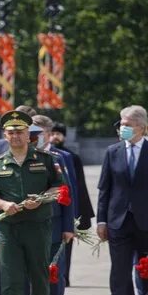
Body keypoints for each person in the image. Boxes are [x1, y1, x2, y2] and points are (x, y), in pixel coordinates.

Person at [0, 110, 62, 295]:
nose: (16, 136)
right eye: (11, 132)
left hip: (37, 226)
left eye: (20, 132)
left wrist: (41, 199)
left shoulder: (45, 160)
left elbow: (58, 188)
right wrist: (4, 205)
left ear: (29, 134)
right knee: (11, 280)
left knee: (39, 278)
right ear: (5, 136)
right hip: (9, 228)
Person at [97, 105, 148, 295]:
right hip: (118, 219)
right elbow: (104, 189)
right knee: (119, 268)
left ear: (142, 127)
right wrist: (101, 221)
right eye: (121, 124)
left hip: (145, 221)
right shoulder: (113, 151)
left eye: (127, 125)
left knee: (146, 267)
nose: (122, 128)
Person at [29, 118, 74, 295]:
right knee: (29, 275)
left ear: (48, 133)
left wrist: (68, 226)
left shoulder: (59, 159)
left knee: (54, 275)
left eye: (39, 132)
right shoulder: (18, 157)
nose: (35, 137)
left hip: (54, 224)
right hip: (27, 224)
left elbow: (67, 193)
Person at [50, 122, 95, 285]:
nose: (55, 137)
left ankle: (64, 276)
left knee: (66, 245)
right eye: (53, 133)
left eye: (58, 134)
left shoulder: (71, 157)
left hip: (68, 207)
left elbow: (79, 186)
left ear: (64, 137)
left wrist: (81, 214)